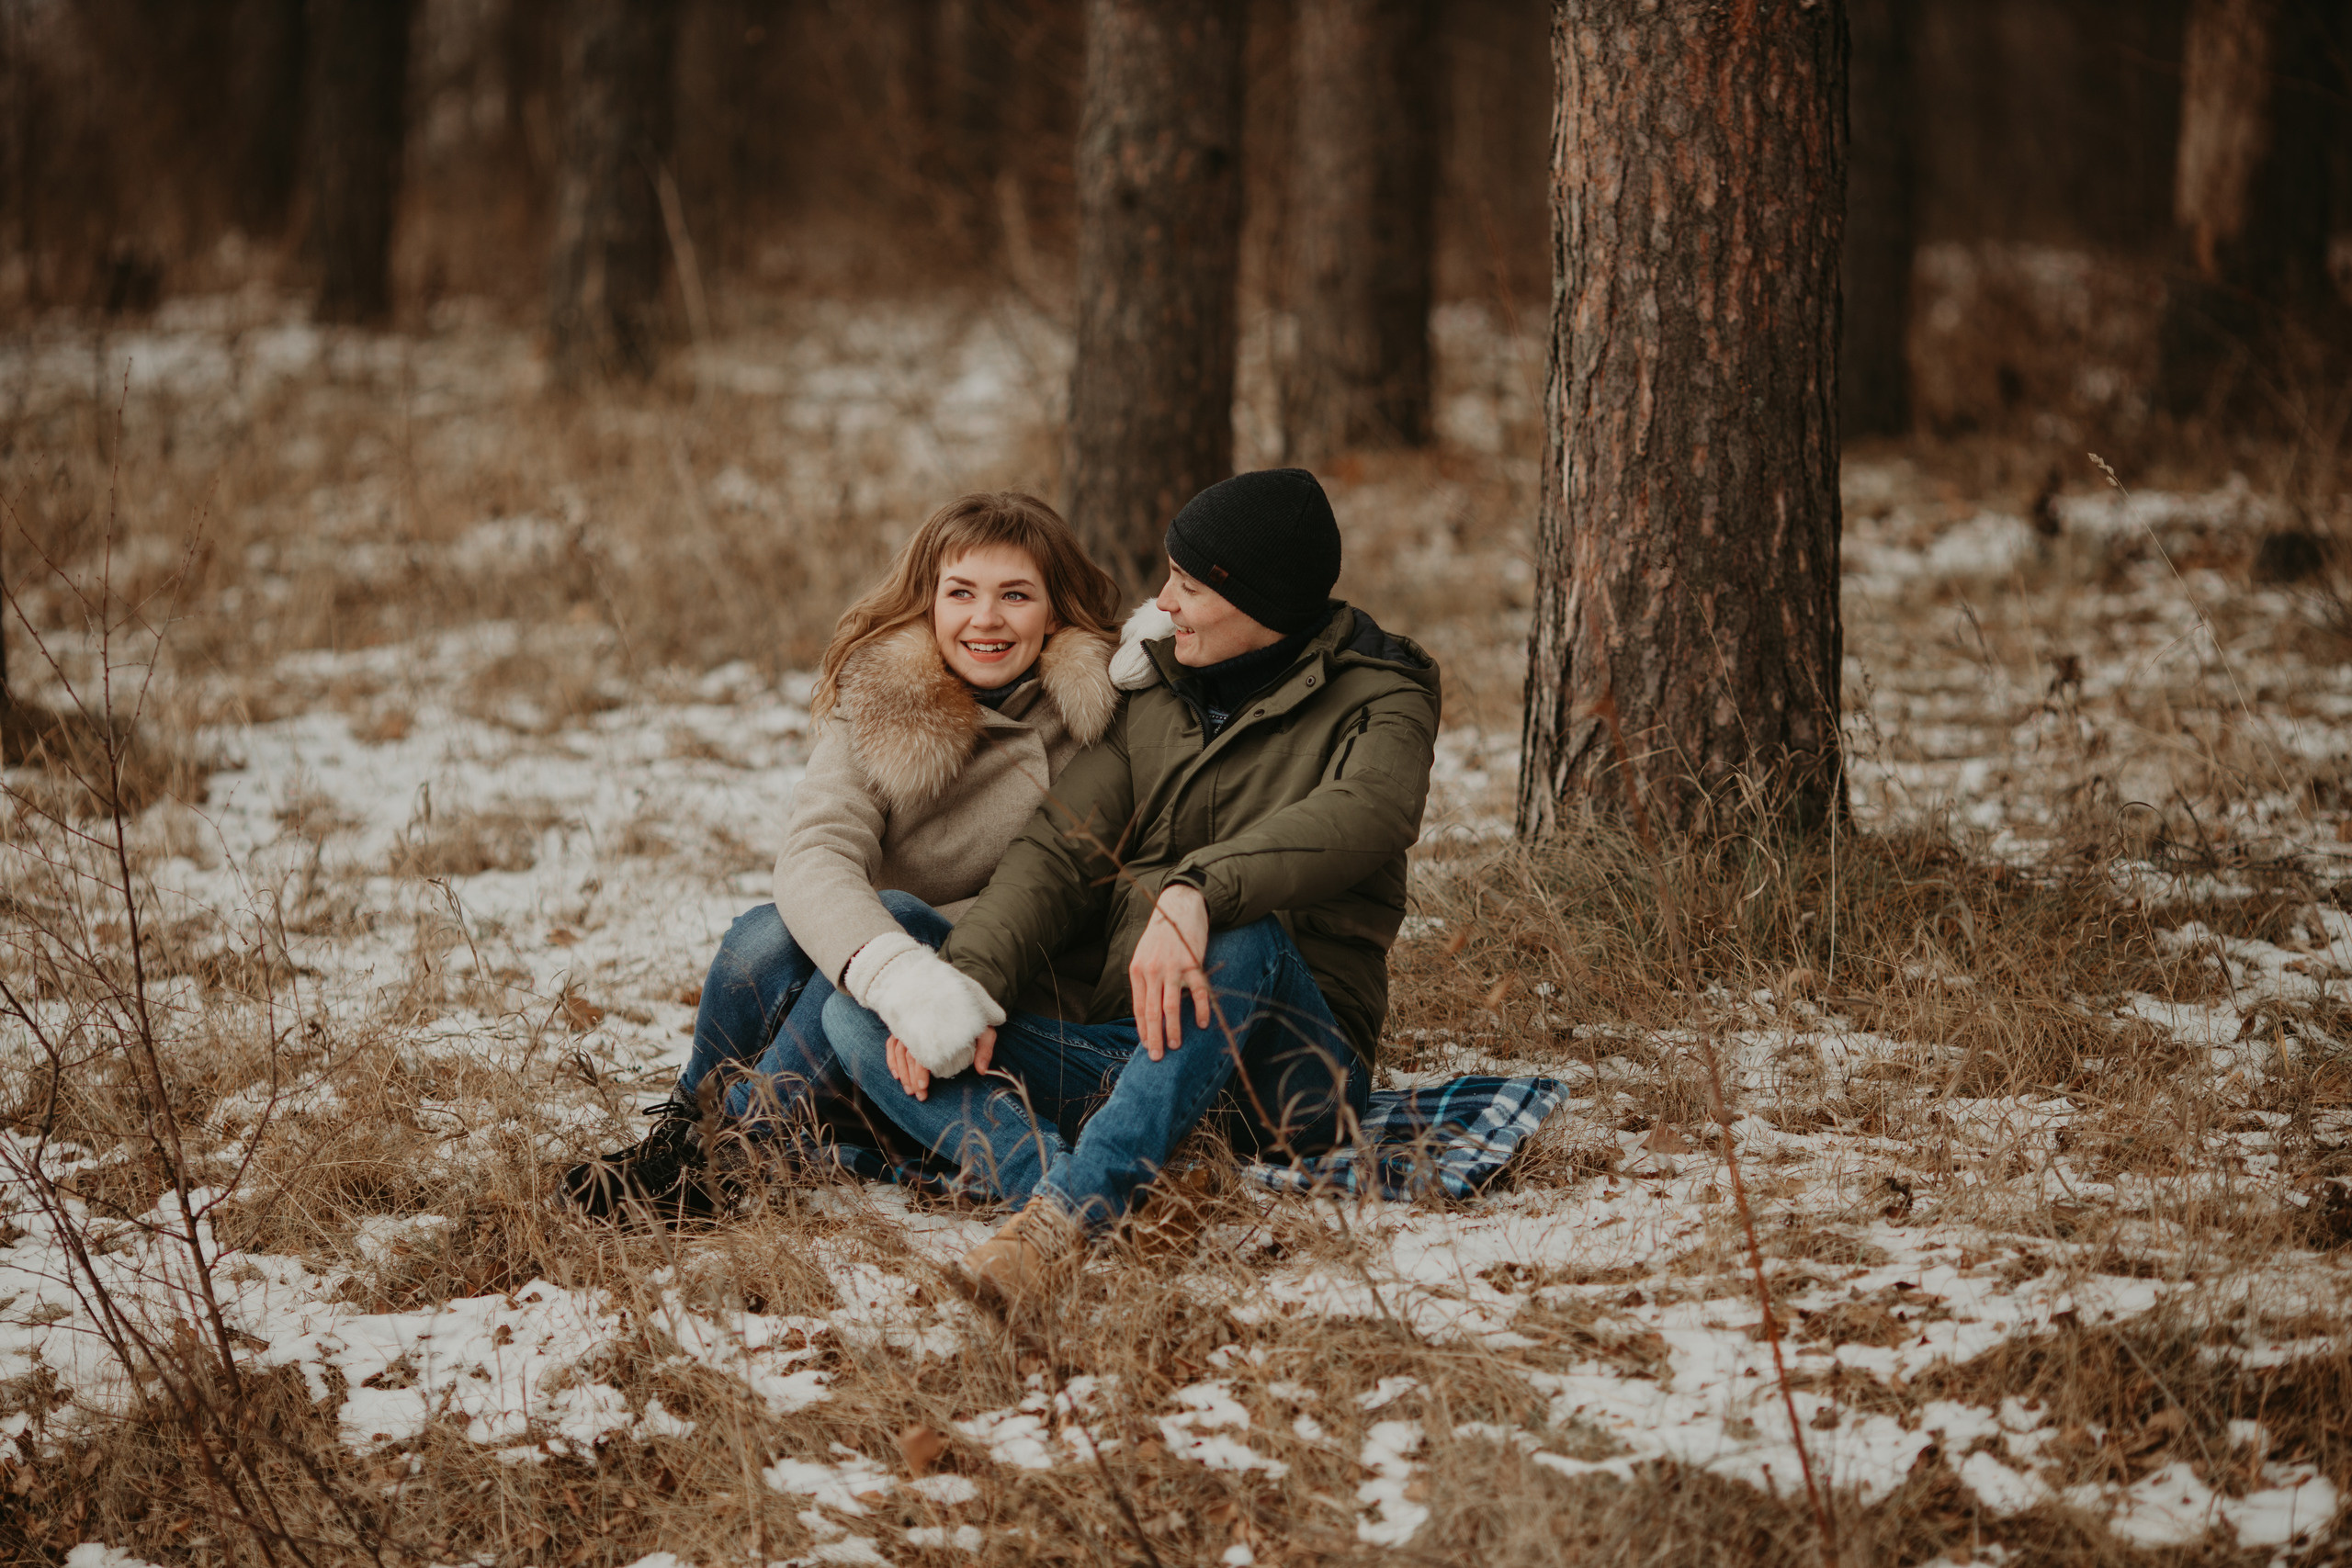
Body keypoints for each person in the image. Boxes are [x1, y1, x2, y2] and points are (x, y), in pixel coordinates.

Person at [820, 467, 1442, 1299]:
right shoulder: (1160, 688)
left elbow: (1372, 810)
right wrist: (956, 987)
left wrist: (1198, 889)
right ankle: (1065, 1178)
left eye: (1187, 585)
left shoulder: (1380, 694)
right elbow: (1058, 850)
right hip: (1134, 1045)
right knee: (858, 1009)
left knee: (1238, 927)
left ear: (1257, 603)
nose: (1165, 601)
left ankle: (1065, 1221)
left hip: (1292, 1060)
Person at [560, 491, 1124, 1223]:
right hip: (886, 997)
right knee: (765, 932)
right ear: (928, 602)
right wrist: (890, 968)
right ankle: (686, 1125)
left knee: (882, 926)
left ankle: (740, 1157)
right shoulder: (884, 696)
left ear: (1054, 611)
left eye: (1015, 595)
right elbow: (815, 850)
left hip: (1010, 990)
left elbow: (1056, 890)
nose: (986, 618)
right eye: (961, 593)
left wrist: (901, 956)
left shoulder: (1096, 717)